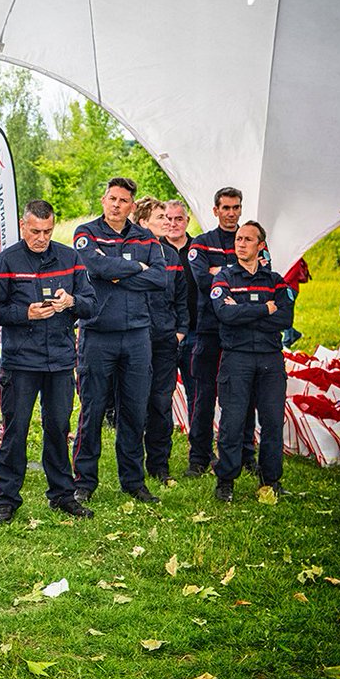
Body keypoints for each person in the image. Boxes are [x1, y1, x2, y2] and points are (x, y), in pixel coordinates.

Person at [0, 200, 96, 523]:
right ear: (23, 226)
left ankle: (62, 494)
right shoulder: (7, 260)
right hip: (20, 362)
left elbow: (91, 304)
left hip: (60, 361)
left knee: (59, 428)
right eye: (35, 231)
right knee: (15, 430)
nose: (42, 238)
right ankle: (6, 499)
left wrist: (71, 302)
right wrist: (26, 313)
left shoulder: (69, 258)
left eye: (47, 231)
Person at [71, 178, 165, 504]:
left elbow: (160, 277)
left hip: (137, 335)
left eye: (123, 200)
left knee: (134, 411)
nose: (116, 205)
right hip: (97, 334)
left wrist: (117, 274)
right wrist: (136, 267)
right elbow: (94, 265)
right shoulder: (86, 233)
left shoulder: (146, 238)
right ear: (103, 200)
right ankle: (84, 481)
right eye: (112, 198)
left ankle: (133, 481)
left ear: (132, 206)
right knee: (92, 409)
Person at [211, 222, 293, 502]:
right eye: (238, 239)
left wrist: (243, 312)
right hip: (237, 358)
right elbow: (224, 314)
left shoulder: (275, 280)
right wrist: (263, 310)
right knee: (232, 422)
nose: (241, 244)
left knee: (273, 422)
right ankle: (225, 481)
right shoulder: (224, 277)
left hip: (270, 360)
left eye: (248, 239)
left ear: (261, 246)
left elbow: (285, 318)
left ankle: (270, 479)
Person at [186, 187, 258, 478]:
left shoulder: (253, 239)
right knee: (204, 395)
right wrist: (237, 271)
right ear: (215, 210)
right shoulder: (201, 243)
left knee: (244, 395)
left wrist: (221, 272)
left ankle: (245, 454)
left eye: (236, 207)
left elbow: (259, 280)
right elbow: (204, 282)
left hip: (242, 332)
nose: (231, 213)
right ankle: (199, 457)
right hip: (209, 330)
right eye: (225, 208)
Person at [133, 198, 188, 485]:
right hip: (135, 340)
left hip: (165, 340)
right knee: (135, 404)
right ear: (143, 223)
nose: (168, 222)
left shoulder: (171, 256)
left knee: (160, 403)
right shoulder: (129, 253)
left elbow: (182, 299)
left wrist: (180, 331)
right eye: (161, 218)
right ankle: (132, 467)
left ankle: (159, 465)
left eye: (170, 217)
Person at [162, 200, 197, 407]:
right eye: (168, 218)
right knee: (161, 392)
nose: (173, 224)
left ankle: (196, 428)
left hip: (194, 331)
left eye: (178, 219)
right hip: (164, 332)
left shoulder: (199, 249)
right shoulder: (154, 250)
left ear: (187, 220)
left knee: (196, 391)